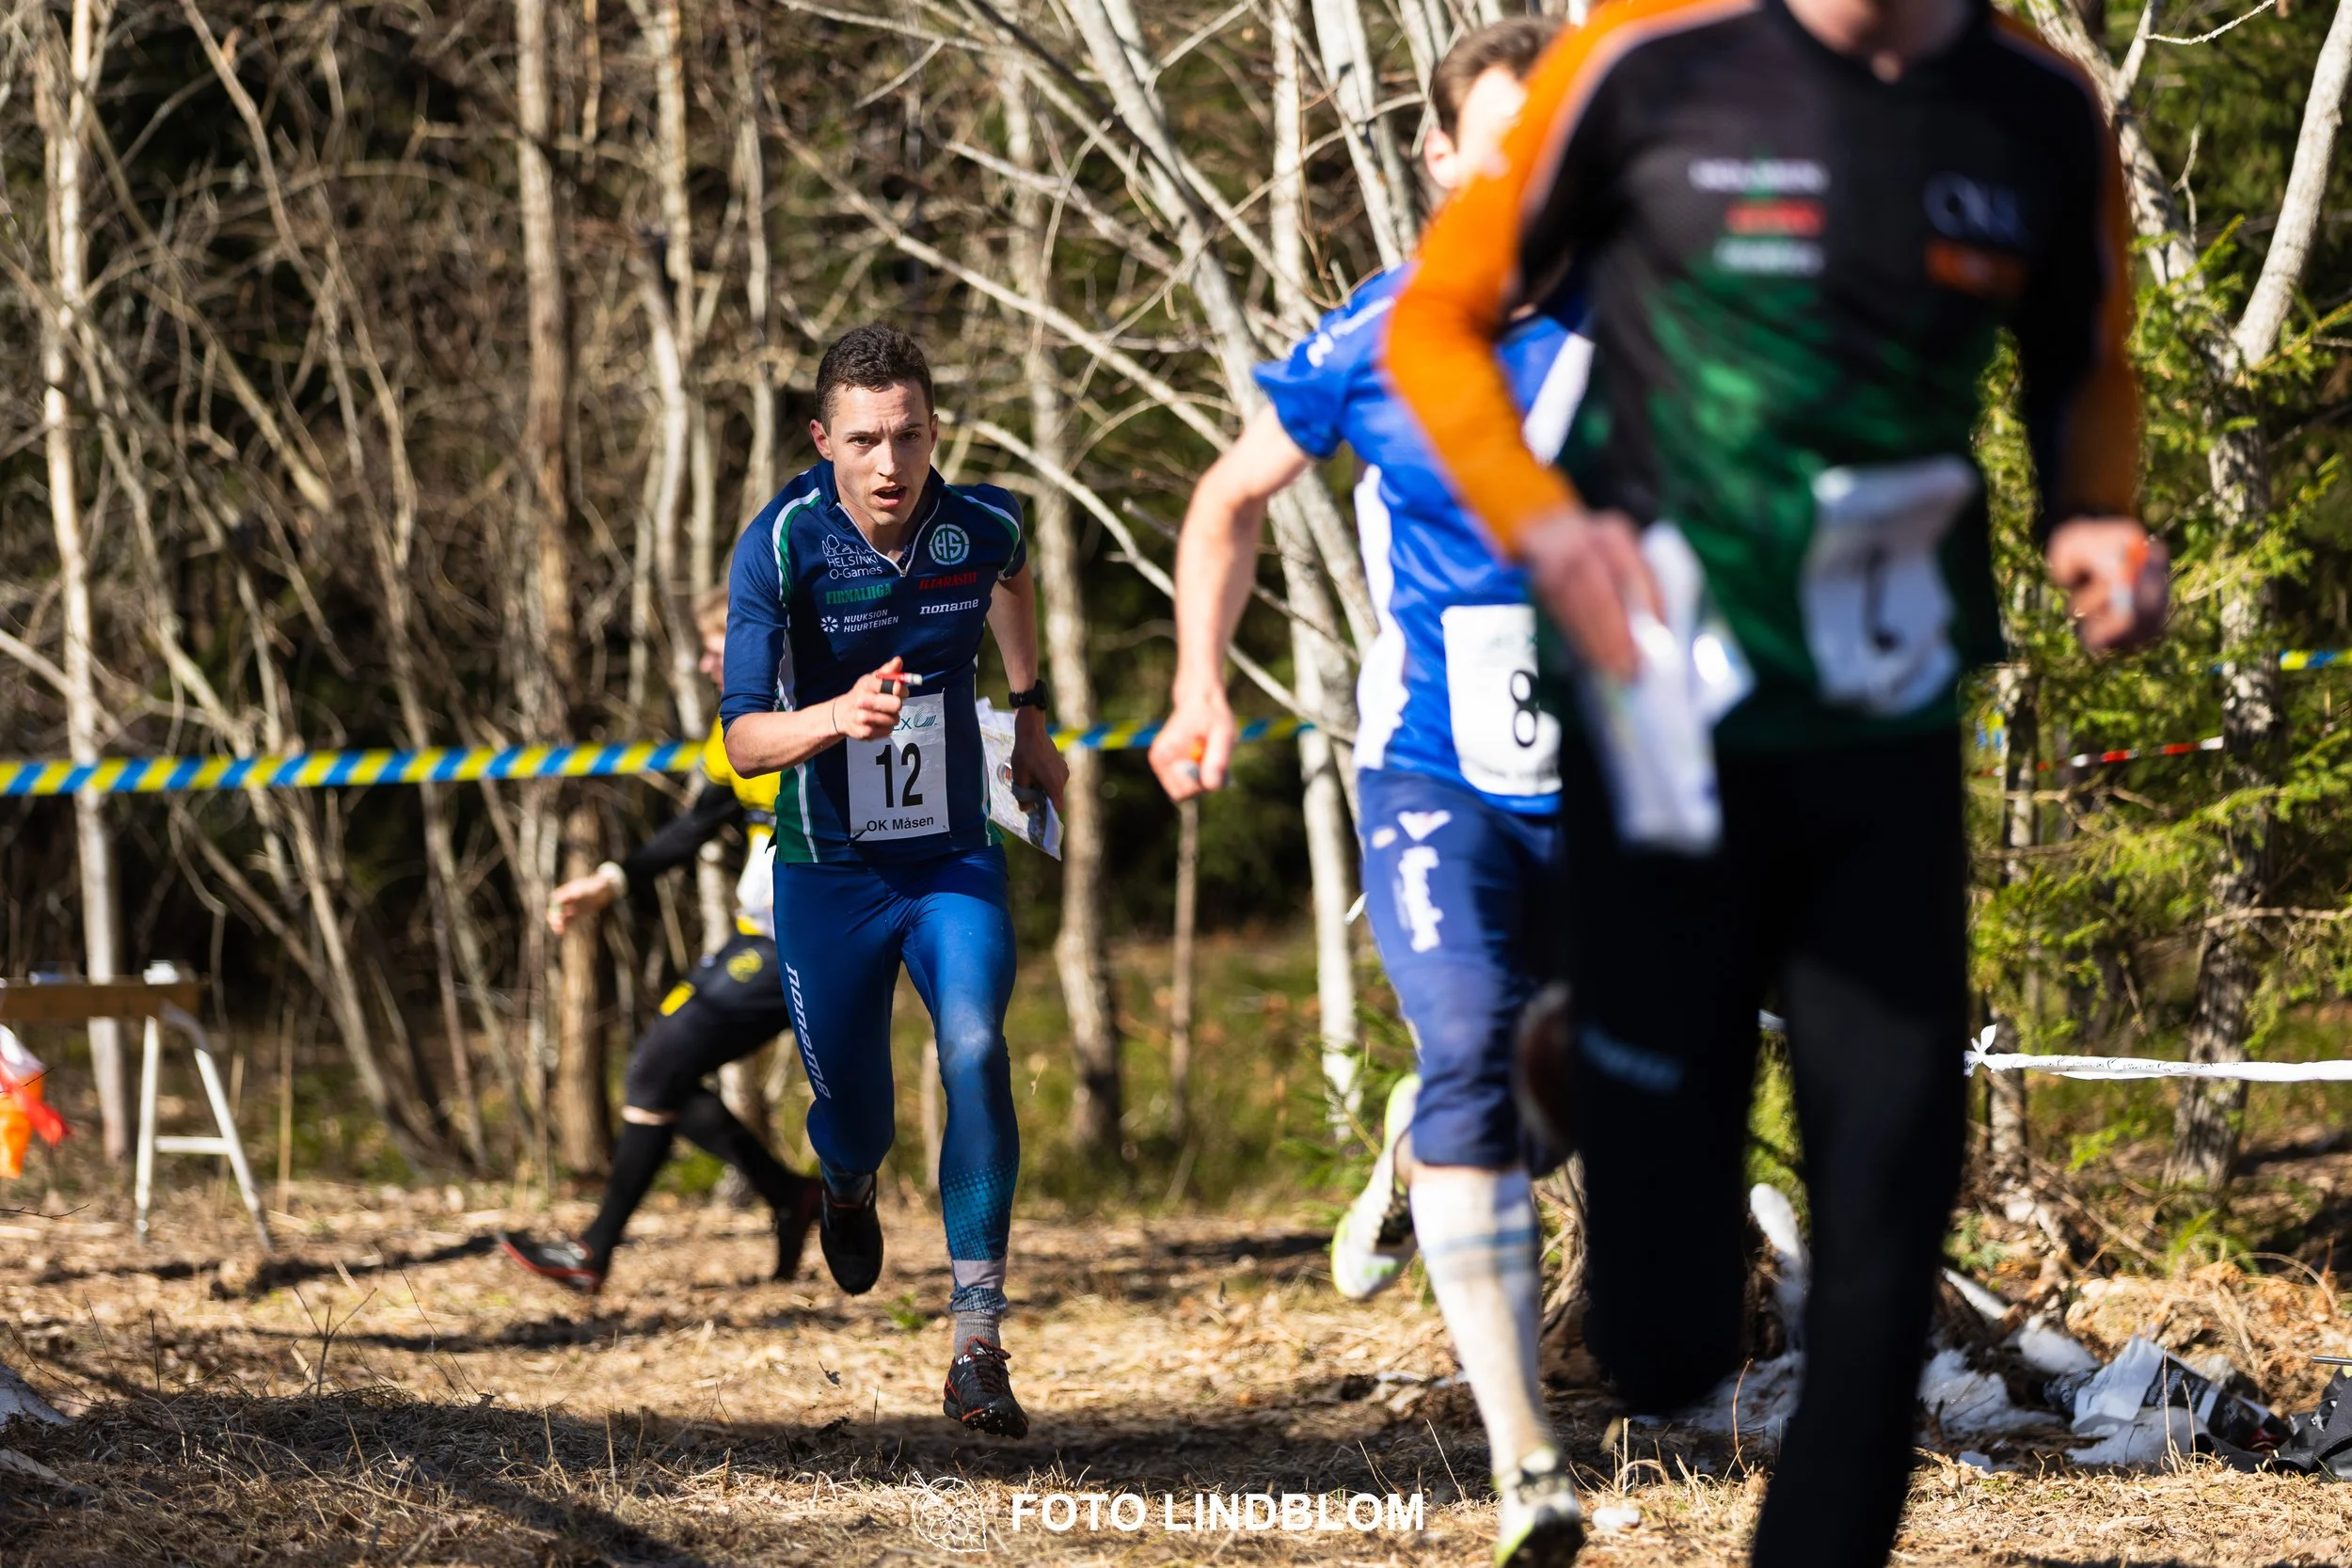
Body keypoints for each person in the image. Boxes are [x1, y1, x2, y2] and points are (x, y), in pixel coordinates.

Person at [1387, 0, 2168, 1561]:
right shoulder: (1641, 58)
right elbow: (1435, 324)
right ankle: (1582, 1041)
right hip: (1668, 726)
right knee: (1671, 1341)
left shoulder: (2034, 104)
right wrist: (1546, 523)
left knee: (1881, 1252)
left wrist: (2094, 511)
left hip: (1884, 737)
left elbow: (2089, 357)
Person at [1149, 20, 1588, 1567]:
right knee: (1474, 1049)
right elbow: (1225, 500)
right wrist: (1201, 687)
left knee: (1559, 1101)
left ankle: (1422, 1144)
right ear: (1441, 157)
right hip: (1432, 781)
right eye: (1502, 142)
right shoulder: (1376, 338)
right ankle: (1529, 1464)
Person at [720, 323, 1067, 1439]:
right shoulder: (779, 545)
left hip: (950, 854)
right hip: (828, 871)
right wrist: (834, 715)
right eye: (863, 439)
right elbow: (741, 741)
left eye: (908, 436)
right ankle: (846, 1184)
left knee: (974, 1044)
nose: (888, 463)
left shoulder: (981, 520)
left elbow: (1011, 573)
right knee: (856, 1116)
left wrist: (1029, 709)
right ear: (823, 439)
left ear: (934, 434)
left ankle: (977, 1344)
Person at [499, 587, 820, 1296]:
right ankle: (792, 1196)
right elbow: (699, 822)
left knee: (652, 1073)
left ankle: (594, 1251)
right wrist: (610, 880)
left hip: (802, 944)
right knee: (661, 1074)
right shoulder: (736, 723)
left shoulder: (824, 709)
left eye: (715, 648)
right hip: (755, 936)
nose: (706, 662)